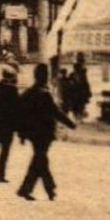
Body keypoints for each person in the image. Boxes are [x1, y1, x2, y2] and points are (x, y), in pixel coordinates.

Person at [16, 64, 74, 201]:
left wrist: (22, 133)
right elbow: (56, 112)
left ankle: (47, 188)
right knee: (40, 159)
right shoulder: (44, 94)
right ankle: (31, 189)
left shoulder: (28, 93)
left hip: (33, 133)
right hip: (44, 134)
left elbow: (19, 113)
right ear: (44, 76)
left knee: (40, 158)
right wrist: (70, 124)